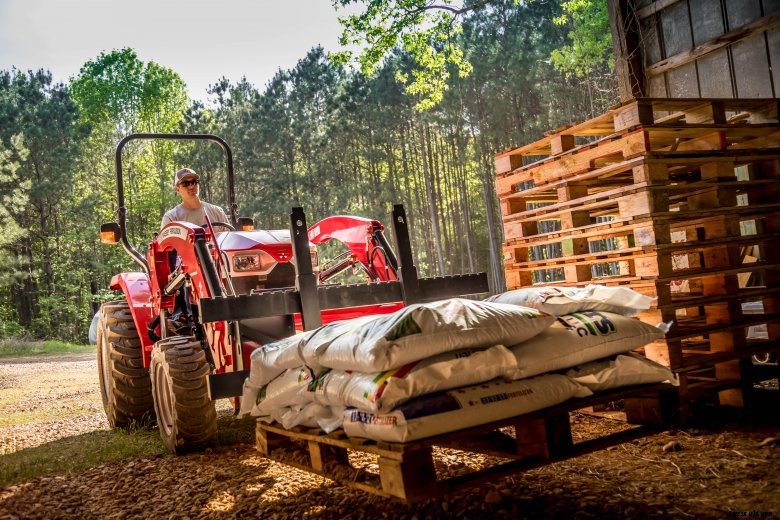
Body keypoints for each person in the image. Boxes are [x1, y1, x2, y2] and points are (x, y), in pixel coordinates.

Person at [161, 168, 229, 229]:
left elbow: (230, 239)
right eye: (185, 183)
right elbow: (167, 242)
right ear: (177, 189)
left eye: (194, 182)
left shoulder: (217, 212)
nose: (191, 186)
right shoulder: (171, 218)